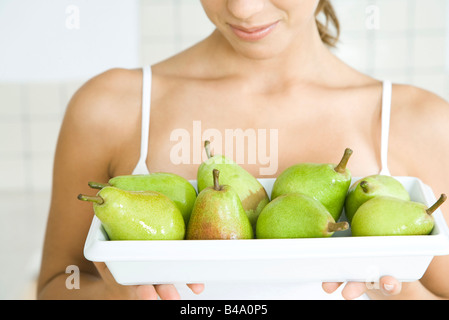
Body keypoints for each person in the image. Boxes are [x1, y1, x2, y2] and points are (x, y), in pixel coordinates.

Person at [37, 0, 449, 300]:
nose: (244, 8)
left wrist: (402, 291)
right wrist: (116, 298)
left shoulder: (419, 121)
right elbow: (59, 283)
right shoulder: (110, 107)